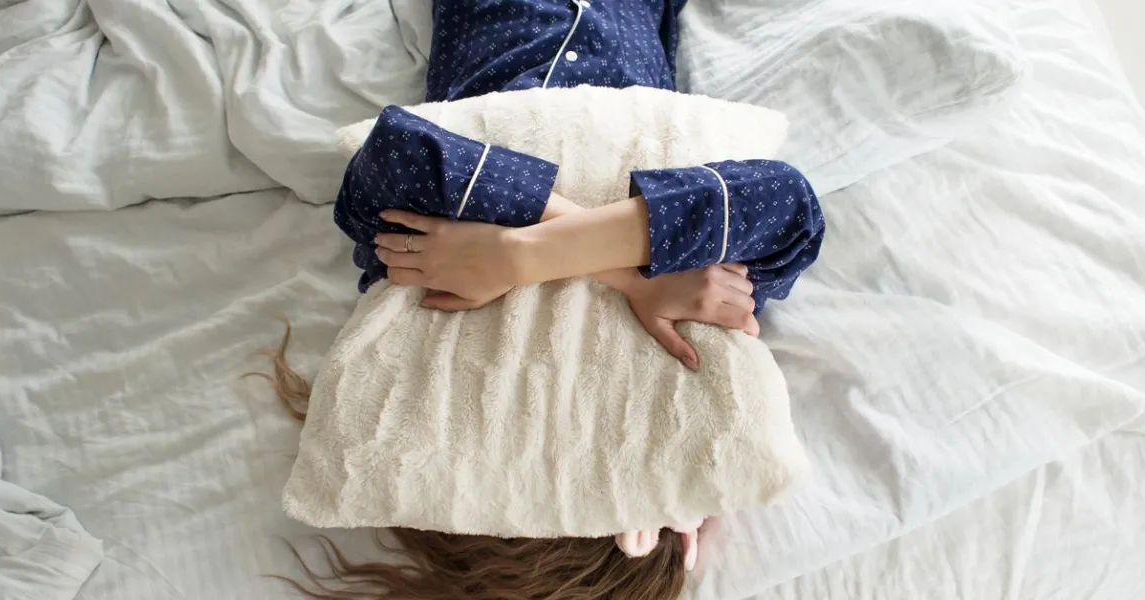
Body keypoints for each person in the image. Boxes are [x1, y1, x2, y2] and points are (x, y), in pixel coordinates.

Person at [267, 2, 826, 598]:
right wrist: (599, 271)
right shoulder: (703, 323)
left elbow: (393, 155)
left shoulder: (424, 305)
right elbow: (785, 201)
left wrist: (521, 255)